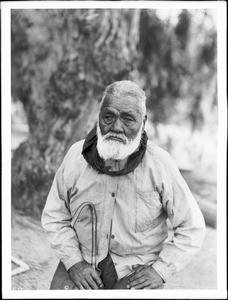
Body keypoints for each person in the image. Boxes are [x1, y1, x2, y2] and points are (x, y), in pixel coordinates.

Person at [41, 80, 206, 290]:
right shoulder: (76, 156)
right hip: (82, 261)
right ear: (98, 117)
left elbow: (192, 227)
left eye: (128, 119)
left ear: (143, 122)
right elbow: (54, 215)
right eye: (108, 117)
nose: (117, 127)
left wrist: (160, 271)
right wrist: (74, 262)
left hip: (135, 270)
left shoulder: (159, 165)